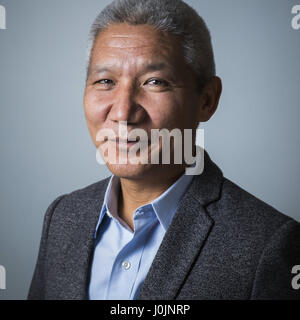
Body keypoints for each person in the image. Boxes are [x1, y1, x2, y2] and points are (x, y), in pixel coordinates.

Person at [28, 0, 300, 300]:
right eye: (105, 81)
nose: (123, 111)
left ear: (207, 99)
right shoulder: (63, 216)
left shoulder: (267, 245)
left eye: (154, 82)